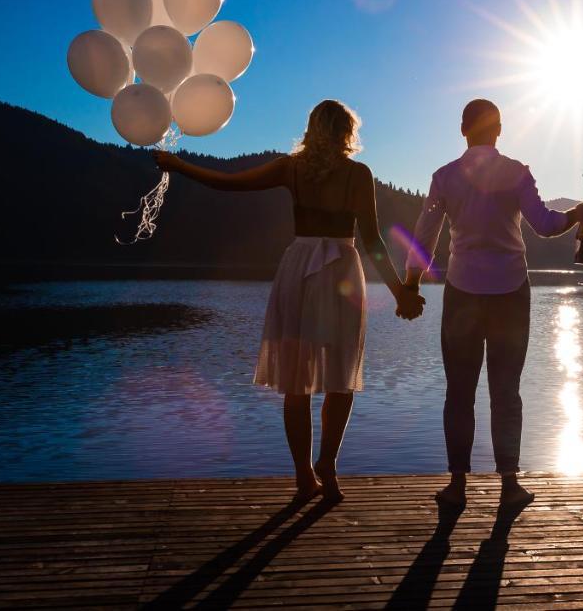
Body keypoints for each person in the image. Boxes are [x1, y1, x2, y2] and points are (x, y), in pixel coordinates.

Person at [155, 100, 423, 502]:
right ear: (347, 132)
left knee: (297, 382)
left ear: (313, 128)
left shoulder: (291, 168)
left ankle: (304, 475)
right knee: (340, 377)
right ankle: (326, 467)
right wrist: (400, 291)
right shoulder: (357, 173)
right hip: (339, 270)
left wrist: (178, 165)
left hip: (299, 266)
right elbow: (372, 240)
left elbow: (228, 183)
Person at [404, 99, 583, 508]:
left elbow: (426, 234)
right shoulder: (516, 173)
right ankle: (509, 483)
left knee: (459, 391)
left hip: (462, 292)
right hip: (509, 292)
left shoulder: (444, 177)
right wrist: (577, 213)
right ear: (500, 130)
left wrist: (411, 284)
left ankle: (457, 484)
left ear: (462, 129)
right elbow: (544, 226)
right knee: (506, 390)